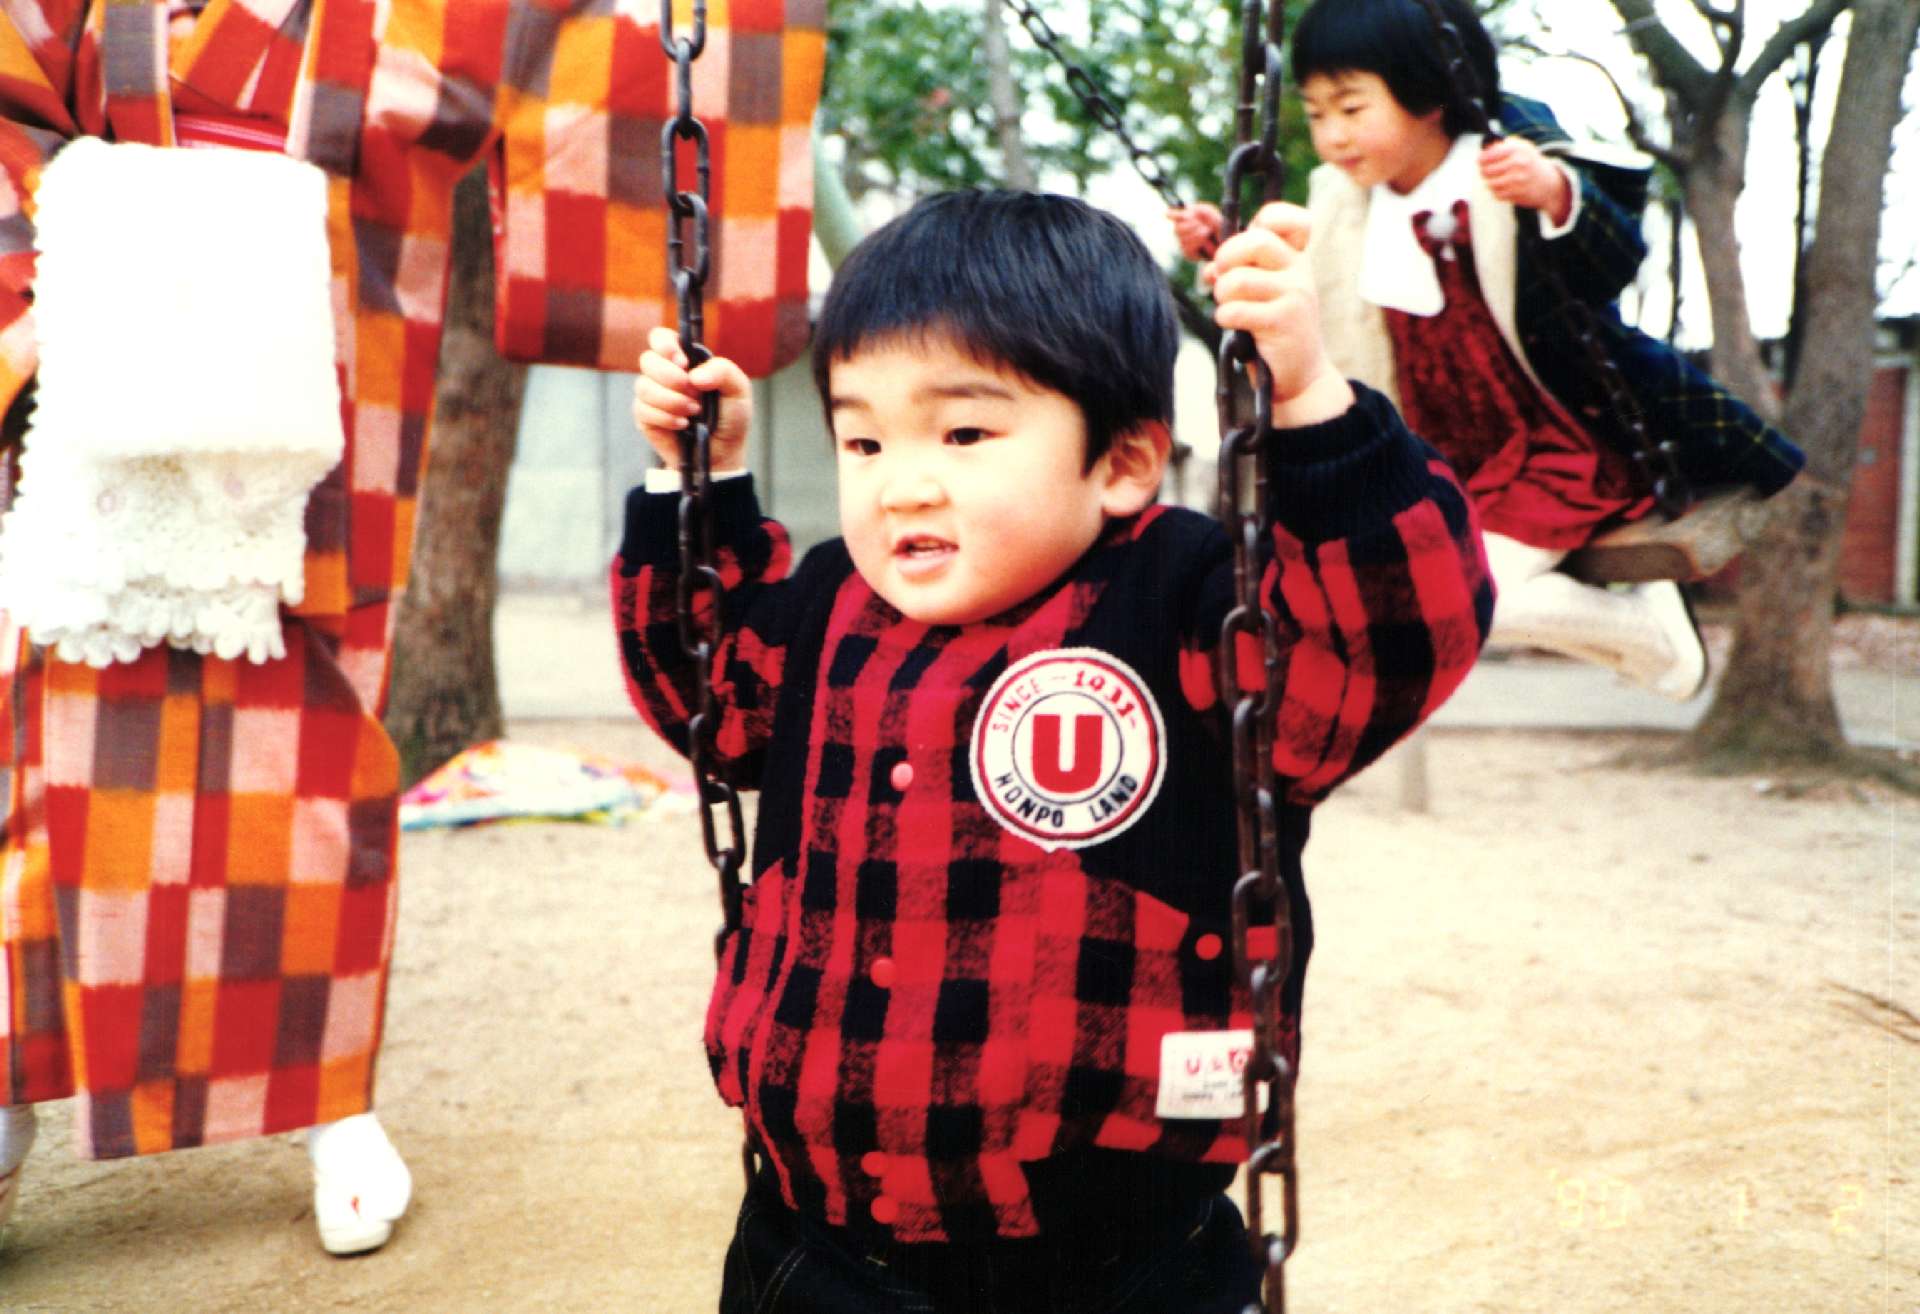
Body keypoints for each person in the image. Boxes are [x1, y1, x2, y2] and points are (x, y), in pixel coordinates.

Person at [615, 189, 1491, 1312]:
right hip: (824, 1245)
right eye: (863, 439)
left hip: (1123, 1258)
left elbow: (1386, 643)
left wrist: (1312, 401)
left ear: (1120, 463)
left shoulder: (1184, 598)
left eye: (964, 435)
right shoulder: (830, 603)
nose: (903, 482)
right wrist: (696, 483)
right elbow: (705, 699)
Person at [1169, 0, 1805, 702]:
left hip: (1547, 444)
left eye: (1351, 107)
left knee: (1462, 599)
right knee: (1409, 599)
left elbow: (1612, 259)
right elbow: (1312, 294)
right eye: (1317, 114)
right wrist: (1230, 248)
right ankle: (1644, 634)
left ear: (1428, 95)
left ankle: (1648, 636)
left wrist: (1556, 195)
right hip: (1445, 459)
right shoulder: (1342, 203)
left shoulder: (1505, 164)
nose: (1332, 135)